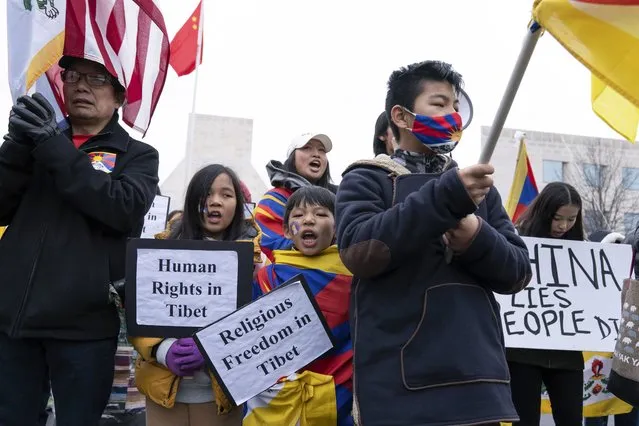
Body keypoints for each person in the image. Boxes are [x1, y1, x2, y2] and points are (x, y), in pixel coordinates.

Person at [335, 60, 532, 426]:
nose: (453, 115)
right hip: (404, 388)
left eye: (456, 107)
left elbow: (518, 273)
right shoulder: (367, 178)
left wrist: (477, 238)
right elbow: (361, 251)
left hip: (479, 381)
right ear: (401, 116)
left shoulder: (478, 189)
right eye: (439, 104)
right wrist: (447, 199)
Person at [0, 55, 159, 426]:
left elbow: (122, 209)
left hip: (83, 326)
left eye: (97, 79)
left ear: (119, 97)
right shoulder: (36, 142)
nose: (82, 86)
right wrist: (14, 146)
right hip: (13, 321)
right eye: (73, 76)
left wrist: (54, 146)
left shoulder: (137, 155)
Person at [131, 164, 263, 426]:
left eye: (226, 195)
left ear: (238, 203)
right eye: (206, 193)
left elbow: (261, 326)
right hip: (163, 394)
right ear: (192, 200)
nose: (215, 202)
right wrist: (163, 350)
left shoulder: (258, 263)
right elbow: (139, 313)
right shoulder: (157, 252)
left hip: (224, 397)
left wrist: (215, 348)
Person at [246, 186, 352, 425]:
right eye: (298, 215)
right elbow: (252, 341)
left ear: (337, 227)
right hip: (277, 398)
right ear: (285, 230)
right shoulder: (267, 277)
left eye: (321, 214)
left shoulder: (356, 275)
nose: (309, 220)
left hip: (341, 394)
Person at [507, 182, 585, 426]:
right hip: (522, 351)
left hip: (566, 350)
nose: (563, 226)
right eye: (557, 218)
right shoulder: (516, 241)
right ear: (544, 213)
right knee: (525, 421)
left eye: (571, 219)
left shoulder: (583, 251)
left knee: (571, 418)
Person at [255, 132, 336, 262]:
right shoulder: (274, 199)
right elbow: (267, 246)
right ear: (292, 157)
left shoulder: (339, 198)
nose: (316, 154)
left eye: (322, 150)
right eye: (306, 148)